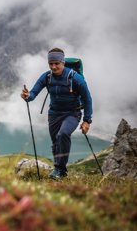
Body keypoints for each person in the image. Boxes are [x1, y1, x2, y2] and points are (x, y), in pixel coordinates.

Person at [21, 48, 93, 179]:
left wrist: (87, 120)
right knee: (55, 142)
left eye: (56, 63)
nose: (54, 67)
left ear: (63, 62)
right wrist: (27, 95)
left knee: (63, 134)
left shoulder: (75, 78)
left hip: (73, 113)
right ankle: (59, 170)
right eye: (51, 64)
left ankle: (60, 170)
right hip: (54, 114)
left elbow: (87, 99)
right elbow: (33, 93)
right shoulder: (47, 77)